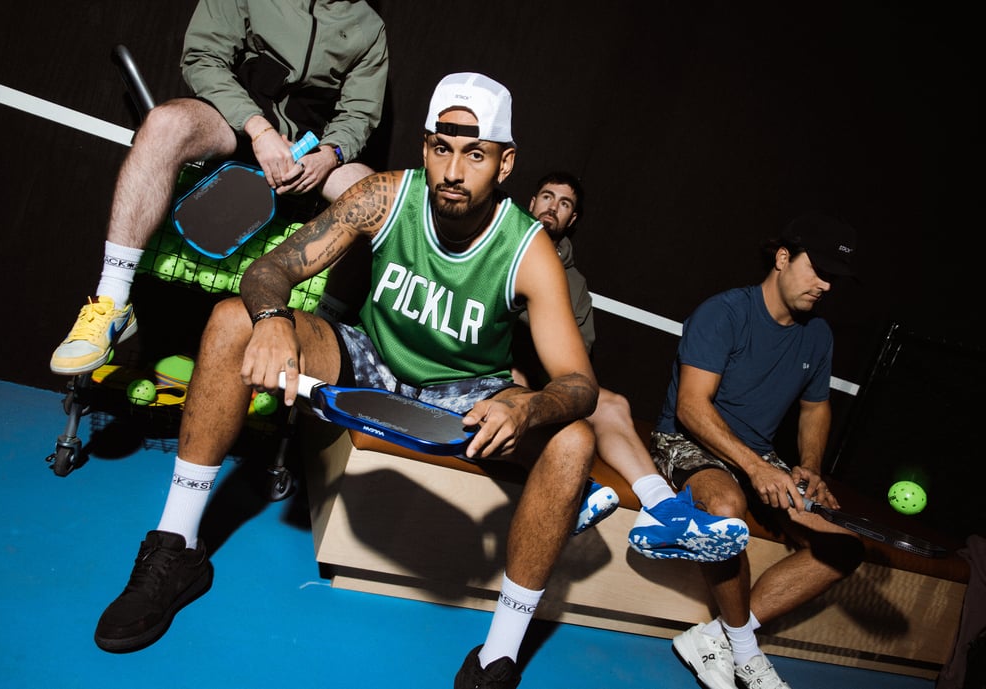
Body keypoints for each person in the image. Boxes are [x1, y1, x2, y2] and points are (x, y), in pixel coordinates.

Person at [93, 72, 598, 689]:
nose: (454, 171)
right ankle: (176, 544)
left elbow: (578, 382)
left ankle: (500, 653)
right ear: (425, 147)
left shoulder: (527, 248)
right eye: (442, 147)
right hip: (370, 359)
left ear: (505, 161)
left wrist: (528, 410)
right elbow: (272, 268)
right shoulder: (385, 197)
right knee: (232, 319)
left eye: (475, 154)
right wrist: (273, 319)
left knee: (574, 441)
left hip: (465, 396)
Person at [50, 0, 389, 375]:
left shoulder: (368, 26)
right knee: (164, 123)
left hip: (305, 153)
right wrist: (257, 128)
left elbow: (358, 113)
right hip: (232, 122)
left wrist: (330, 152)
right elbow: (202, 57)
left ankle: (320, 333)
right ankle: (112, 303)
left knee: (371, 191)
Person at [653, 214, 866, 689]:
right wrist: (754, 468)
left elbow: (815, 410)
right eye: (819, 270)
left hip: (756, 452)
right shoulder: (724, 312)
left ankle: (717, 636)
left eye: (835, 277)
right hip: (688, 439)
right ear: (782, 258)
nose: (825, 285)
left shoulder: (818, 334)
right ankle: (748, 652)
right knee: (728, 508)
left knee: (843, 545)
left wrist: (809, 467)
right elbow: (690, 408)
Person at [516, 172, 749, 561]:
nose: (551, 208)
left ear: (572, 219)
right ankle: (572, 487)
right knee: (516, 377)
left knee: (612, 402)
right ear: (531, 202)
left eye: (564, 203)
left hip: (541, 377)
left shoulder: (572, 282)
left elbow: (578, 354)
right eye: (546, 197)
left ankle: (662, 507)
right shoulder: (499, 241)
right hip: (492, 370)